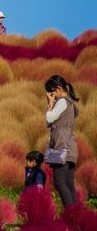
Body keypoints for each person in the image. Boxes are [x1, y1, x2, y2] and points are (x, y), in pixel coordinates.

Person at [45, 75, 79, 207]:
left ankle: (71, 217)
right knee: (69, 185)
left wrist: (50, 105)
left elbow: (49, 119)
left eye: (51, 92)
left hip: (62, 146)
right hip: (70, 147)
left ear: (58, 88)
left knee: (59, 183)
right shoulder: (70, 102)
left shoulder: (62, 101)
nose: (50, 95)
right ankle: (77, 216)